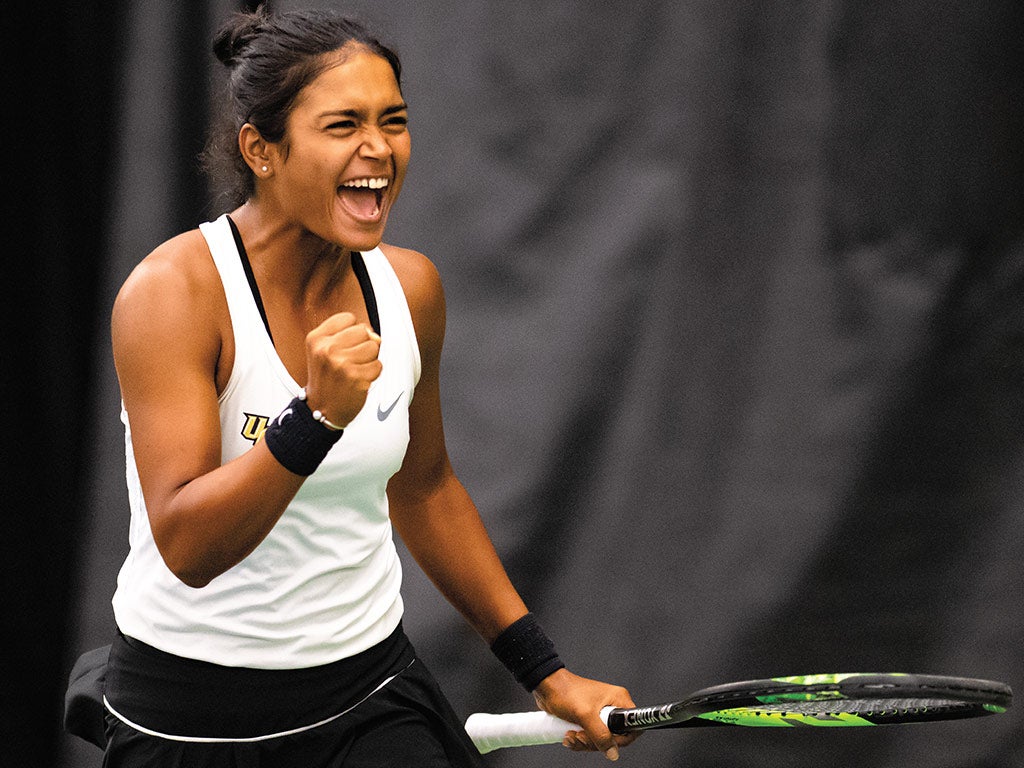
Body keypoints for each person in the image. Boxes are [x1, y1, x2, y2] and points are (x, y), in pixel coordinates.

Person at [94, 7, 638, 767]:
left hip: (367, 695)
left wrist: (545, 672)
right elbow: (187, 545)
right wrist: (313, 419)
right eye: (343, 125)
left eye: (394, 120)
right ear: (262, 150)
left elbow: (426, 489)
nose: (378, 149)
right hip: (191, 717)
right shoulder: (171, 295)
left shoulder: (411, 288)